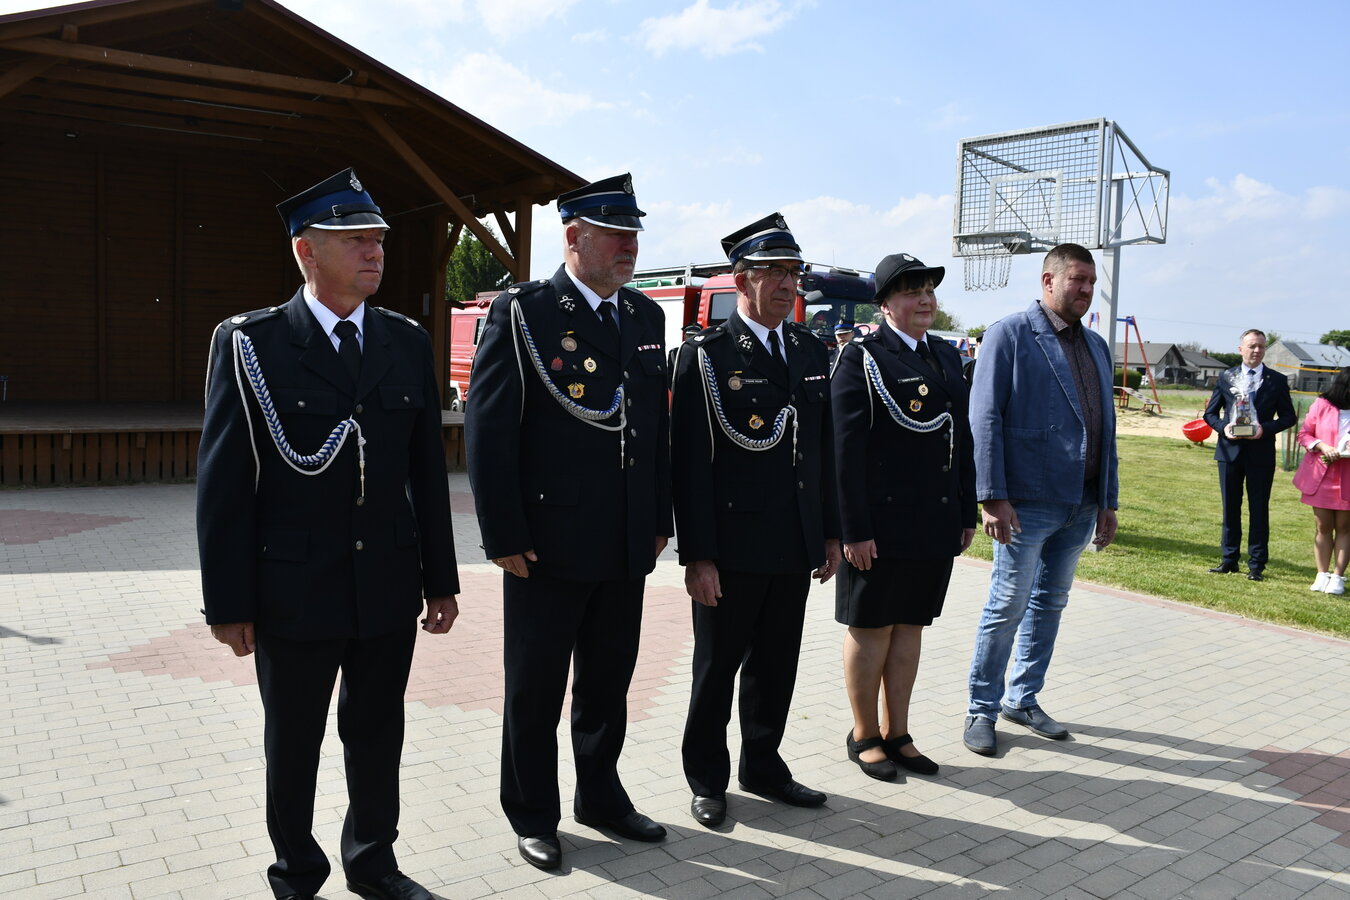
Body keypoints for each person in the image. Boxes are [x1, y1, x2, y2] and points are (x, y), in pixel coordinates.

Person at [197, 169, 459, 900]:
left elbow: (426, 473)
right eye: (355, 240)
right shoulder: (252, 343)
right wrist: (228, 602)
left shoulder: (405, 340)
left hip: (386, 584)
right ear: (305, 251)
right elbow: (225, 484)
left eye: (378, 239)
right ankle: (297, 872)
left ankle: (374, 864)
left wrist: (440, 580)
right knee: (294, 742)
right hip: (293, 587)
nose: (375, 251)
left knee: (377, 735)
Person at [464, 174, 672, 871]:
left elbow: (653, 430)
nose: (629, 246)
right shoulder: (524, 312)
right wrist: (503, 532)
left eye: (633, 234)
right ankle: (532, 813)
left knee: (609, 679)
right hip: (546, 542)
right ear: (574, 237)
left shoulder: (644, 317)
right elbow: (490, 430)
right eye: (615, 233)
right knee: (536, 686)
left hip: (624, 536)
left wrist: (658, 516)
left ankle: (601, 796)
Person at [671, 213, 841, 827]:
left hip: (793, 542)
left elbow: (821, 451)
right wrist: (698, 555)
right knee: (717, 670)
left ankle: (763, 765)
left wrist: (829, 531)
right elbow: (689, 465)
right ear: (741, 280)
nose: (787, 284)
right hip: (732, 545)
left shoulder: (810, 349)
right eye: (773, 273)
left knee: (776, 665)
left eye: (793, 272)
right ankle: (706, 778)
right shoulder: (707, 356)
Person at [963, 242, 1119, 757]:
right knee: (1007, 603)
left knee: (1050, 602)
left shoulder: (1096, 346)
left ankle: (1023, 698)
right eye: (1078, 280)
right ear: (1048, 281)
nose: (1086, 290)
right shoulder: (1009, 335)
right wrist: (992, 496)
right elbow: (984, 418)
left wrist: (1108, 500)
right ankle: (981, 709)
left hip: (1081, 503)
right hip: (1026, 502)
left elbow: (1106, 429)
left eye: (1091, 282)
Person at [832, 253, 975, 780]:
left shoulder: (946, 356)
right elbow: (845, 451)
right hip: (880, 525)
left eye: (929, 291)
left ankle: (899, 733)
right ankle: (864, 733)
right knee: (872, 628)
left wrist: (965, 509)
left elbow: (961, 440)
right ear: (886, 303)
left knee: (911, 626)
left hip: (932, 520)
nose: (924, 300)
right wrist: (854, 529)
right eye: (912, 291)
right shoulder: (863, 357)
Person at [1203, 329, 1296, 580]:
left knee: (1259, 509)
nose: (1257, 351)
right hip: (1229, 453)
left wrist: (1265, 429)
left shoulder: (1277, 380)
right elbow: (1210, 414)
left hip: (1261, 454)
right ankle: (1229, 559)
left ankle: (1256, 564)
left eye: (1261, 347)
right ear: (1240, 349)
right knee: (1230, 508)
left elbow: (1289, 417)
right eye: (1252, 346)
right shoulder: (1226, 377)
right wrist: (1224, 428)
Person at [1292, 366, 1350, 594]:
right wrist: (1322, 446)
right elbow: (1304, 434)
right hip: (1322, 475)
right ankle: (1321, 574)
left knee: (1345, 527)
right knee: (1323, 527)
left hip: (1348, 474)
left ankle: (1338, 577)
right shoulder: (1322, 404)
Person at [669, 322, 703, 388]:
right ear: (685, 336)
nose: (692, 338)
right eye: (689, 335)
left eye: (695, 336)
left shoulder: (704, 352)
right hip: (681, 390)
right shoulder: (674, 353)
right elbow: (671, 378)